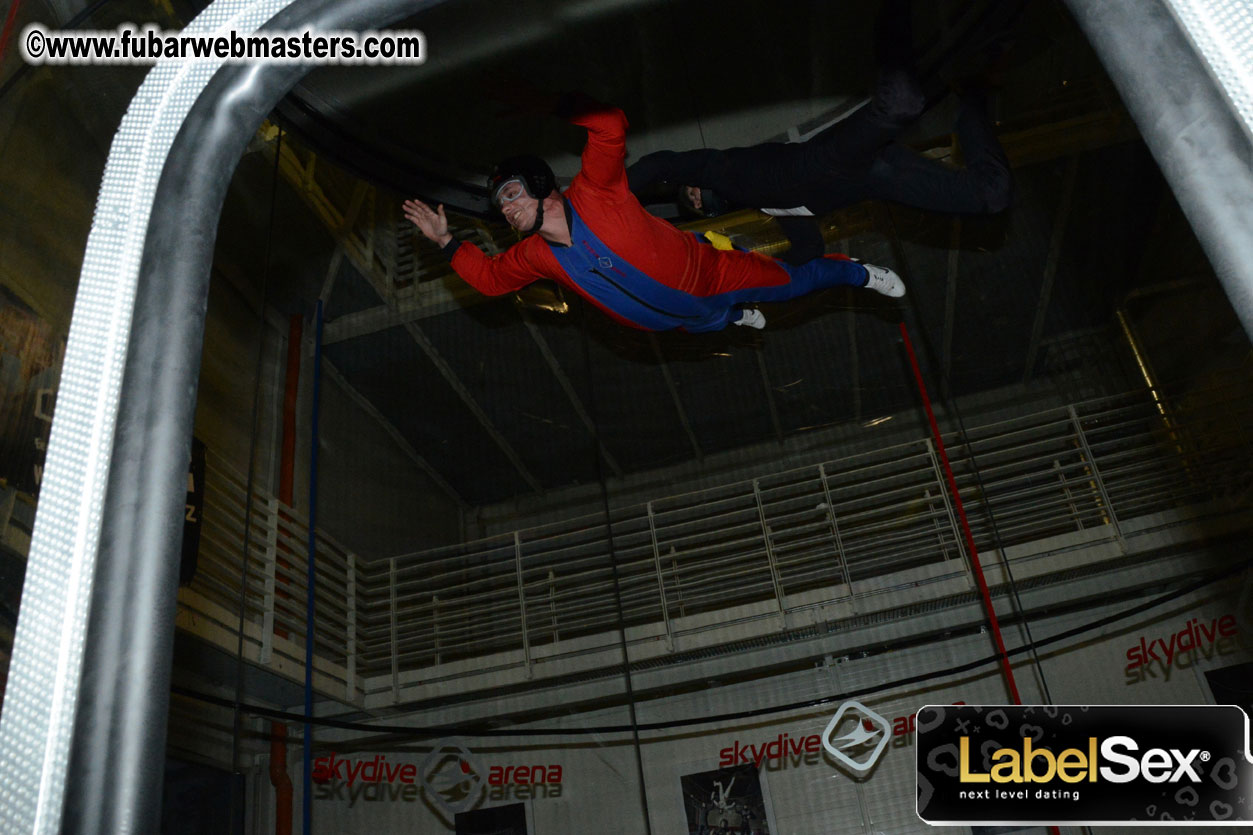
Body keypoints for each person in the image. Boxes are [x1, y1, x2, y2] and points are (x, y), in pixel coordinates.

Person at [403, 96, 904, 334]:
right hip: (680, 322)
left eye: (511, 193)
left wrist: (552, 105)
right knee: (713, 323)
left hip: (715, 275)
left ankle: (858, 274)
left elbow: (610, 127)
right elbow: (490, 280)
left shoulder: (593, 192)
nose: (506, 207)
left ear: (539, 184)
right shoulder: (535, 255)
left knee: (796, 283)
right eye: (500, 205)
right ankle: (732, 317)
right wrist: (446, 242)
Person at [627, 0, 1013, 264]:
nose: (695, 194)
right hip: (879, 179)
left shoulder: (723, 170)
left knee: (902, 104)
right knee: (992, 196)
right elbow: (807, 250)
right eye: (696, 202)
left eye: (690, 190)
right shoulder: (775, 209)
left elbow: (662, 163)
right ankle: (972, 93)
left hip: (835, 156)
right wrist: (751, 270)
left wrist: (613, 191)